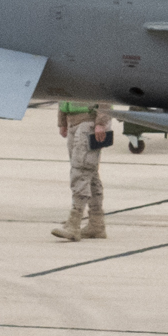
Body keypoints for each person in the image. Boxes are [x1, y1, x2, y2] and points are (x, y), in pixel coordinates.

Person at [51, 98, 120, 241]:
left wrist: (101, 122)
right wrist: (62, 120)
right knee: (90, 173)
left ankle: (74, 223)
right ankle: (96, 224)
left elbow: (105, 92)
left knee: (80, 171)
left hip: (90, 121)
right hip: (74, 122)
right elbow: (63, 93)